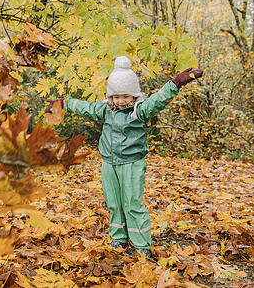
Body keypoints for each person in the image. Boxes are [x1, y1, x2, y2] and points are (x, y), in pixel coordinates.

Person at [45, 56, 203, 258]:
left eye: (125, 97)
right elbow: (85, 107)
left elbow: (157, 100)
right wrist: (63, 103)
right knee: (113, 202)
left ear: (134, 96)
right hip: (109, 164)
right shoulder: (105, 110)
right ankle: (118, 238)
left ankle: (141, 244)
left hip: (132, 163)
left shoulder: (141, 111)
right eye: (116, 97)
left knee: (132, 203)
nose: (120, 101)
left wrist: (176, 83)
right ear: (110, 97)